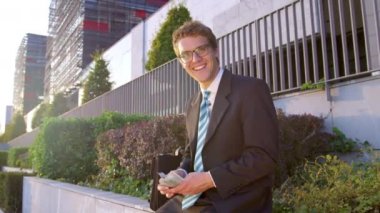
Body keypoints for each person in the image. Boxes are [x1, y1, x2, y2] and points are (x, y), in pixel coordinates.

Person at [156, 20, 279, 213]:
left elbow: (263, 157)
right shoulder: (192, 104)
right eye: (186, 55)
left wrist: (207, 180)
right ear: (181, 62)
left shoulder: (251, 90)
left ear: (215, 50)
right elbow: (191, 155)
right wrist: (179, 174)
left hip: (236, 201)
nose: (195, 59)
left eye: (201, 49)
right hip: (194, 198)